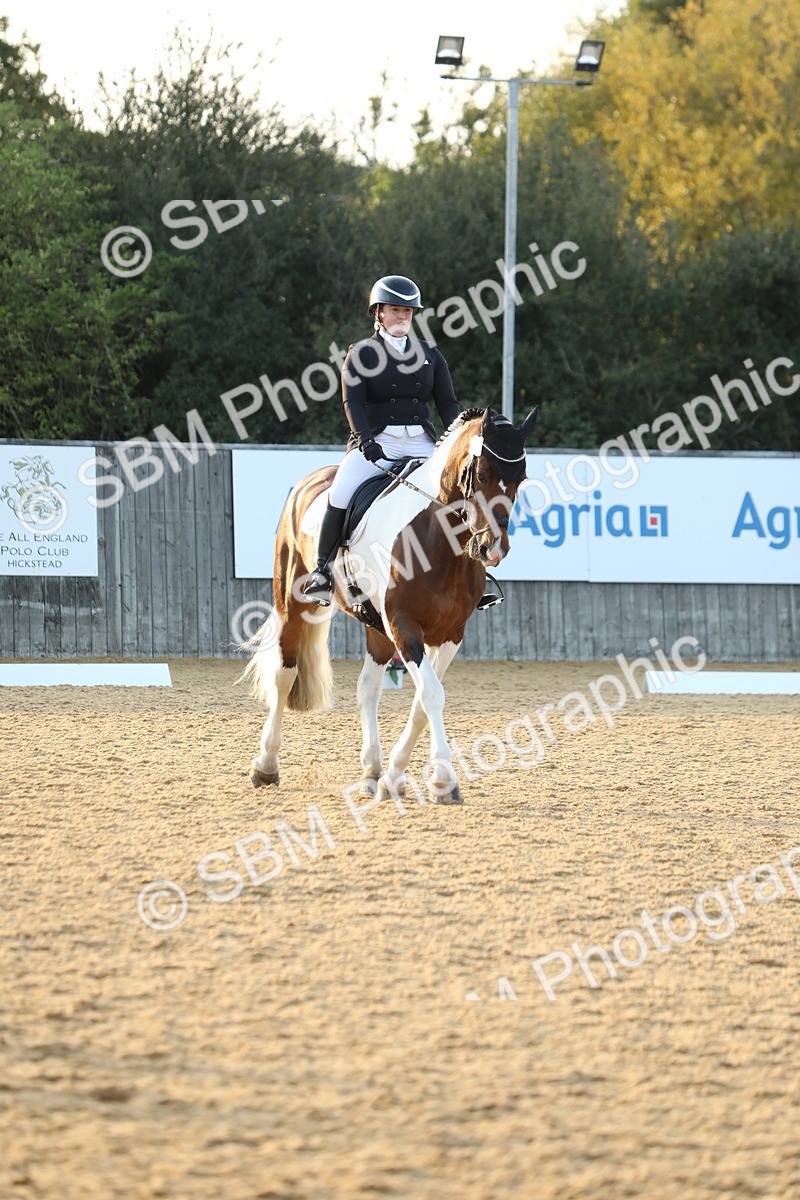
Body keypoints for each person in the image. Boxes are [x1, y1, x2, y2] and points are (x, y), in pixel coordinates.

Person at [300, 274, 460, 604]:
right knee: (340, 492)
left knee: (457, 494)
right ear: (378, 313)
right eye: (395, 310)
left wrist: (454, 439)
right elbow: (353, 402)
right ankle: (322, 571)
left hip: (421, 442)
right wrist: (365, 441)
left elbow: (447, 404)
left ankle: (470, 573)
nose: (402, 316)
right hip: (377, 442)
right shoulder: (362, 353)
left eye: (408, 311)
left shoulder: (430, 354)